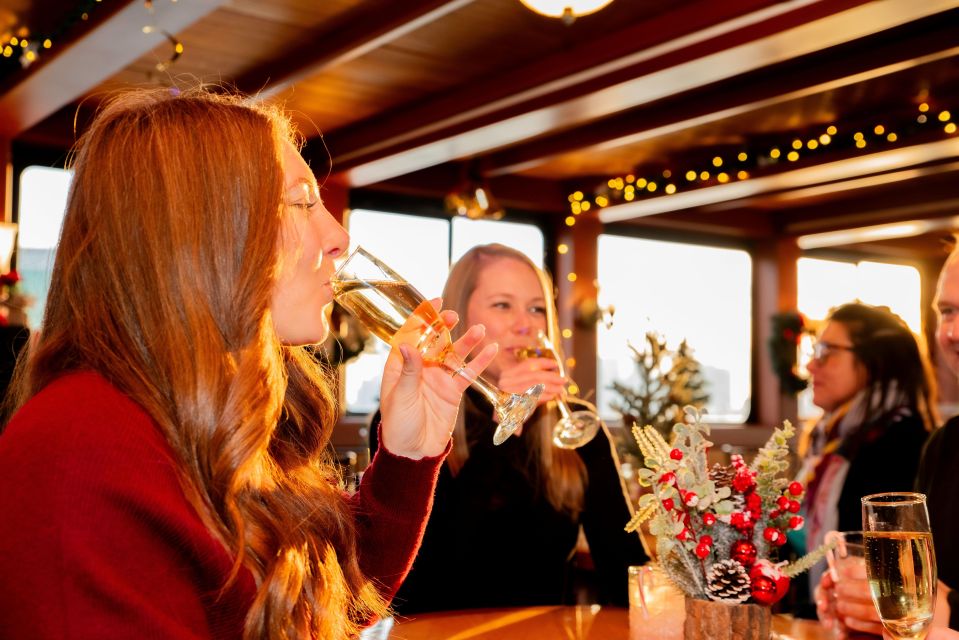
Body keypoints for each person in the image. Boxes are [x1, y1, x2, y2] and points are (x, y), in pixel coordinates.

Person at [0, 88, 496, 639]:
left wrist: (407, 455)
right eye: (303, 202)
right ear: (202, 227)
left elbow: (330, 601)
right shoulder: (77, 452)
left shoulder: (223, 416)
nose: (338, 237)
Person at [369, 243, 648, 614]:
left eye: (536, 308)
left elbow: (623, 569)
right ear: (462, 319)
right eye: (503, 305)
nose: (525, 324)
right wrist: (505, 428)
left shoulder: (576, 427)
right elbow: (417, 583)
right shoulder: (414, 417)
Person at [817, 250, 959, 637]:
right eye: (946, 311)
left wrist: (944, 610)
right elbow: (911, 585)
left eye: (826, 353)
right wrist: (860, 604)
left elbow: (934, 601)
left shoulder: (901, 440)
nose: (953, 332)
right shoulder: (943, 446)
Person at [792, 303, 937, 612]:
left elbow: (889, 577)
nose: (812, 366)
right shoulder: (833, 442)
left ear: (875, 361)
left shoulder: (900, 444)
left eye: (826, 351)